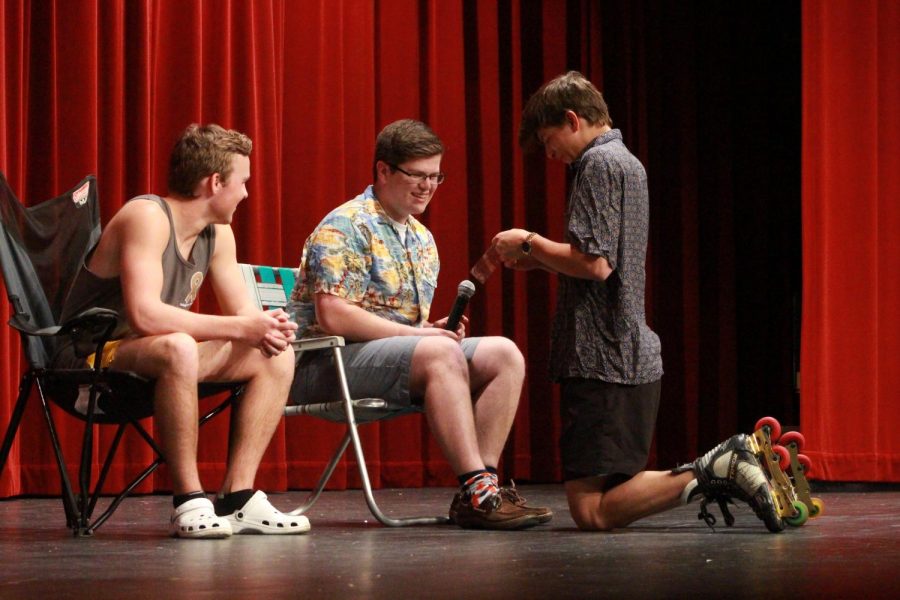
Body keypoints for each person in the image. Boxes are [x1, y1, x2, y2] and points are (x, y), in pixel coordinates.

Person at [491, 72, 784, 533]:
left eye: (550, 142)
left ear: (573, 119)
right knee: (608, 502)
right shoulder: (625, 162)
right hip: (622, 354)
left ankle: (721, 466)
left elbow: (595, 264)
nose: (551, 156)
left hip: (602, 358)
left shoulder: (598, 164)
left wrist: (528, 242)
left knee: (592, 510)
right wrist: (544, 262)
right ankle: (727, 470)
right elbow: (606, 265)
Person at [287, 119, 551, 530]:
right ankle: (480, 492)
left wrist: (434, 327)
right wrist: (423, 337)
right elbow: (333, 314)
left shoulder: (422, 239)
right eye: (417, 175)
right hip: (324, 363)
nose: (428, 186)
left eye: (436, 176)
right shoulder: (345, 225)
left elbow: (398, 321)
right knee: (439, 350)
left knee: (504, 353)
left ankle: (481, 491)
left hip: (386, 357)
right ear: (384, 170)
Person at [53, 124, 309, 538]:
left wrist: (268, 327)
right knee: (178, 346)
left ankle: (237, 497)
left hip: (153, 356)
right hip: (89, 359)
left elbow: (243, 312)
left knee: (275, 352)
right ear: (215, 182)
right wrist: (243, 326)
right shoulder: (147, 216)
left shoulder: (218, 233)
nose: (246, 193)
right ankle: (188, 500)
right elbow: (145, 316)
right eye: (242, 183)